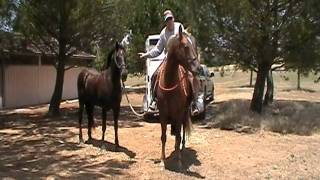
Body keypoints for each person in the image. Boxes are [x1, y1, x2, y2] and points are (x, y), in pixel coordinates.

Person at [138, 10, 201, 115]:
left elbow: (187, 40)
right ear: (165, 21)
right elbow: (158, 50)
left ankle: (194, 102)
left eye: (170, 18)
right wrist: (146, 55)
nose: (169, 21)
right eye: (167, 20)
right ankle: (154, 100)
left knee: (190, 76)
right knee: (155, 75)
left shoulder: (179, 27)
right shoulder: (163, 33)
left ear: (173, 19)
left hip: (181, 59)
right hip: (168, 59)